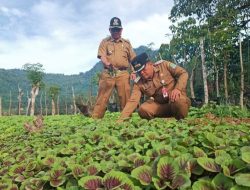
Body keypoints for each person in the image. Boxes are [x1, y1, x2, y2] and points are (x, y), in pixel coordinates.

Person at [80, 17, 136, 119]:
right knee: (102, 98)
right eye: (113, 29)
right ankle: (96, 119)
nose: (116, 32)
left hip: (123, 73)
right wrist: (107, 64)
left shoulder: (126, 44)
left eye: (118, 29)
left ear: (121, 30)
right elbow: (102, 56)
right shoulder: (104, 42)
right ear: (110, 30)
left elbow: (133, 59)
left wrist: (133, 72)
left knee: (125, 98)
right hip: (108, 72)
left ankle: (126, 119)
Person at [118, 52, 191, 122]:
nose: (142, 73)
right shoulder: (138, 83)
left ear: (150, 64)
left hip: (176, 101)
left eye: (143, 69)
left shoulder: (164, 65)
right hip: (161, 106)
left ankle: (181, 120)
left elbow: (183, 73)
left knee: (178, 100)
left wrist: (177, 89)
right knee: (143, 109)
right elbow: (133, 101)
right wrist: (121, 119)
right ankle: (163, 121)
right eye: (139, 72)